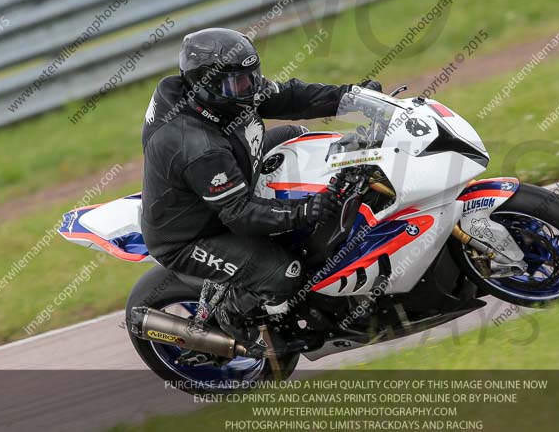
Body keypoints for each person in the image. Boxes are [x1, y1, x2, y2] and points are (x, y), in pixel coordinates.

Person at [140, 27, 380, 352]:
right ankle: (234, 323)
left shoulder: (219, 97)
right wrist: (305, 210)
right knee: (285, 274)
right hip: (194, 234)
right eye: (238, 83)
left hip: (229, 170)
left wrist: (352, 98)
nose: (250, 89)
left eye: (251, 77)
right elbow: (239, 215)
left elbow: (290, 96)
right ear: (206, 86)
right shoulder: (194, 145)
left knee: (302, 137)